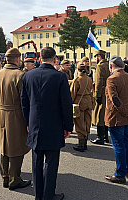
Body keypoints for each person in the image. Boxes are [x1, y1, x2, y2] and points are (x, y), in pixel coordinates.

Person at [21, 47, 73, 200]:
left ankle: (38, 195)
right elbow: (66, 104)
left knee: (36, 161)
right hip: (54, 124)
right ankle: (48, 195)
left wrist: (27, 121)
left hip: (35, 123)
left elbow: (24, 103)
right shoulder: (60, 77)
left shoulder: (28, 76)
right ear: (55, 59)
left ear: (39, 58)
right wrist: (68, 126)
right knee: (51, 161)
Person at [0, 48, 31, 190]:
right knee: (16, 147)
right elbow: (24, 101)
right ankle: (14, 179)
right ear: (17, 59)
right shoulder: (20, 75)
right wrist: (28, 121)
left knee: (3, 146)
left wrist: (0, 111)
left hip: (1, 113)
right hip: (16, 115)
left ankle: (5, 177)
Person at [104, 55, 128, 184]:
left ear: (111, 66)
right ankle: (127, 169)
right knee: (126, 143)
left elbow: (114, 100)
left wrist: (126, 112)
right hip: (127, 116)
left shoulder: (112, 79)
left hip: (117, 117)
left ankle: (120, 174)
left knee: (119, 145)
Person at [70, 62, 94, 152]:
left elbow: (73, 93)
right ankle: (85, 141)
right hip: (88, 101)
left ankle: (81, 143)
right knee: (87, 122)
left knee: (80, 123)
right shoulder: (89, 79)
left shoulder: (77, 80)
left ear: (78, 69)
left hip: (79, 102)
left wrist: (70, 103)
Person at [90, 50, 110, 145]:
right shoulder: (109, 65)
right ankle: (106, 136)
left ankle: (100, 137)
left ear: (99, 57)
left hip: (101, 92)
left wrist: (97, 94)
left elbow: (98, 82)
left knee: (99, 115)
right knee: (105, 114)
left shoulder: (100, 66)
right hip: (108, 91)